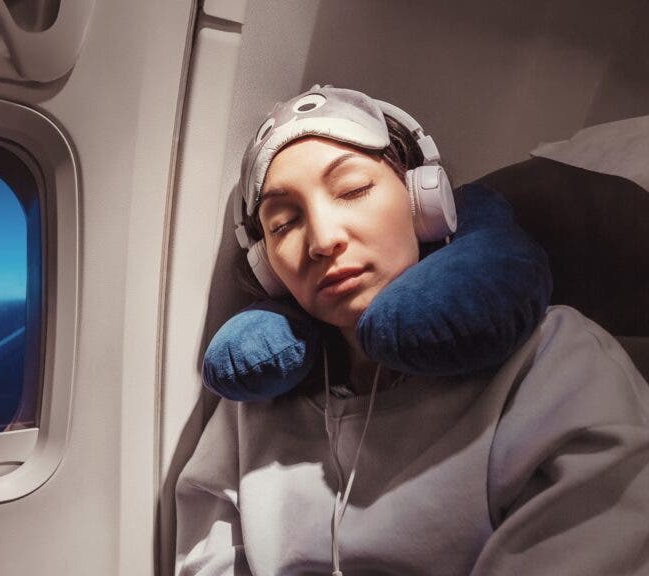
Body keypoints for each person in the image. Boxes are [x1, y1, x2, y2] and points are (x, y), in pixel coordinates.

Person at [174, 86, 649, 576]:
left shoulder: (556, 364)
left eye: (353, 190)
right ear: (266, 267)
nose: (322, 239)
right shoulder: (251, 407)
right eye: (283, 222)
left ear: (425, 202)